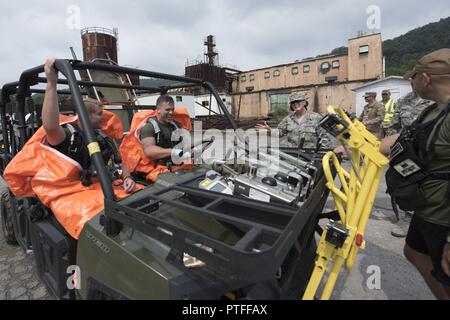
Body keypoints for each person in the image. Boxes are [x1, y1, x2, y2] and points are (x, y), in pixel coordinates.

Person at [379, 48, 450, 299]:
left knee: (445, 269)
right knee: (415, 253)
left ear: (427, 78)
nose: (412, 81)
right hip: (427, 205)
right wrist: (360, 148)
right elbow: (406, 137)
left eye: (415, 76)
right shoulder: (432, 110)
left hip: (444, 214)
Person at [42, 58, 135, 193]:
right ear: (85, 115)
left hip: (111, 188)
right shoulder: (70, 137)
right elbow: (50, 127)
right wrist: (51, 83)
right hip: (83, 196)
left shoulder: (103, 136)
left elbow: (119, 161)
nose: (103, 117)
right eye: (99, 114)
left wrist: (127, 178)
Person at [383, 91, 434, 238]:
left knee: (431, 184)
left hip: (430, 150)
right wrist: (392, 149)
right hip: (407, 151)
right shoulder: (404, 100)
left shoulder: (437, 98)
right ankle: (407, 219)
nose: (412, 81)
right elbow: (394, 125)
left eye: (415, 77)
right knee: (407, 184)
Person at [255, 92, 334, 150]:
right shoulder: (288, 119)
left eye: (298, 101)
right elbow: (280, 132)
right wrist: (270, 130)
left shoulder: (315, 117)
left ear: (304, 103)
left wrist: (324, 154)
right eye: (293, 102)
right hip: (292, 154)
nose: (295, 104)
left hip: (309, 154)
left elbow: (325, 138)